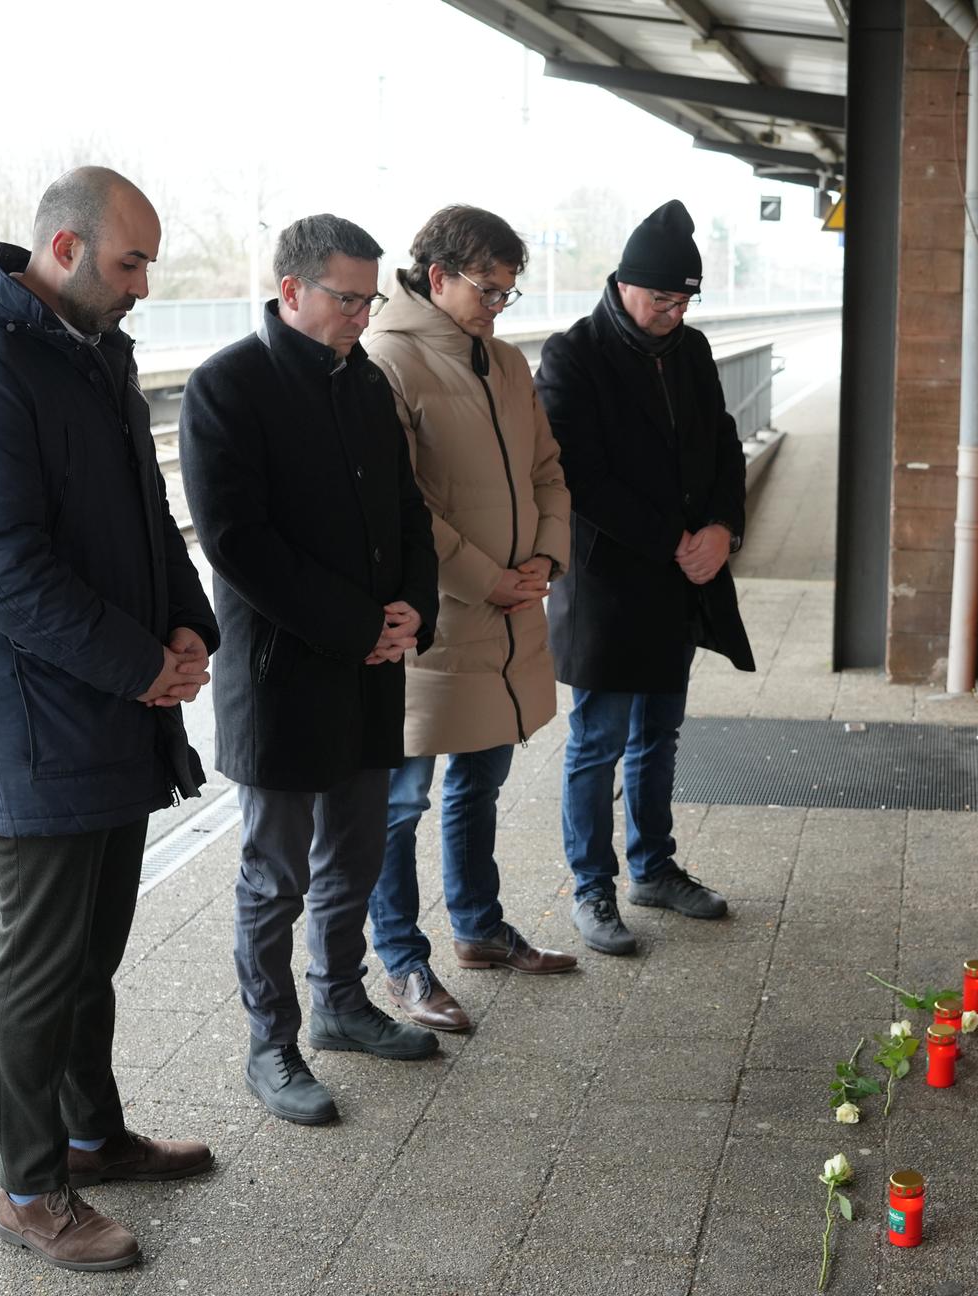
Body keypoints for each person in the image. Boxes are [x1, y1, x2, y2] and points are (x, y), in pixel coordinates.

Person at [0, 166, 219, 1272]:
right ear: (63, 250)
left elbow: (148, 514)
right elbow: (0, 567)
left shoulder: (94, 350)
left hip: (112, 703)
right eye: (132, 262)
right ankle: (29, 1192)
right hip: (39, 722)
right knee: (42, 961)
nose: (146, 286)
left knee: (92, 953)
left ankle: (90, 1136)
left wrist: (189, 628)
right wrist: (138, 665)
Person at [178, 214, 441, 1127]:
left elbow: (410, 509)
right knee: (274, 874)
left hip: (369, 670)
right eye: (348, 298)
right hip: (285, 674)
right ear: (291, 290)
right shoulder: (226, 388)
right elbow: (238, 544)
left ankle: (340, 1005)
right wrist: (360, 624)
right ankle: (272, 1044)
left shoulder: (363, 381)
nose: (364, 316)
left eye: (372, 299)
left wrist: (414, 610)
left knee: (356, 857)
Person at [364, 205, 575, 1033]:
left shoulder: (509, 360)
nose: (498, 306)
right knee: (401, 798)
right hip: (442, 624)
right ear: (437, 274)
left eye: (508, 293)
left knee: (481, 782)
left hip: (513, 617)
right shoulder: (389, 361)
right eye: (489, 290)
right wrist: (490, 579)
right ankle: (402, 961)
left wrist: (546, 562)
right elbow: (402, 506)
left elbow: (550, 470)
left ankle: (479, 929)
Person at [535, 199, 755, 956]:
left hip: (681, 579)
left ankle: (653, 867)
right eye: (662, 297)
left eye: (685, 299)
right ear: (625, 284)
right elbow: (580, 477)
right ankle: (591, 888)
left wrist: (724, 530)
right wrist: (677, 540)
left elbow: (725, 444)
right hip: (608, 587)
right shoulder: (573, 356)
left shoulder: (689, 351)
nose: (674, 311)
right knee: (598, 739)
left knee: (659, 732)